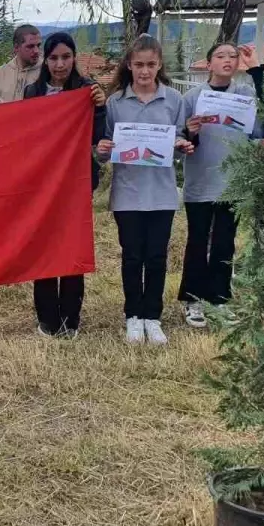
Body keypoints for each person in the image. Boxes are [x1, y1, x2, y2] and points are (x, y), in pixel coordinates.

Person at [96, 35, 193, 346]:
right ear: (129, 65)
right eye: (138, 64)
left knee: (156, 257)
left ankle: (153, 316)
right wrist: (103, 148)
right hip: (127, 193)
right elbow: (102, 148)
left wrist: (182, 145)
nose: (144, 71)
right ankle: (132, 316)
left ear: (160, 65)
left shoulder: (174, 101)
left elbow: (178, 147)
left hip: (162, 193)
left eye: (151, 64)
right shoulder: (115, 103)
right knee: (132, 256)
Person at [23, 32, 107, 337]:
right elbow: (23, 136)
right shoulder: (33, 92)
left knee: (72, 246)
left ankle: (71, 316)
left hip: (75, 182)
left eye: (66, 57)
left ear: (75, 58)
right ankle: (47, 316)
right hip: (42, 185)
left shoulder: (87, 91)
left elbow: (99, 138)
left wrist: (99, 107)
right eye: (54, 57)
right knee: (44, 247)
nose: (60, 64)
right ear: (46, 59)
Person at [179, 40, 262, 328]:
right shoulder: (191, 97)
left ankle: (220, 299)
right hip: (200, 180)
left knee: (225, 244)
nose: (228, 60)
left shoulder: (246, 95)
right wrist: (189, 133)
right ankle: (193, 300)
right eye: (220, 55)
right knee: (198, 241)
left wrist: (257, 69)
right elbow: (180, 140)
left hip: (233, 183)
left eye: (233, 56)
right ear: (209, 63)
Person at [0, 25, 43, 103]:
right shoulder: (1, 73)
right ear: (16, 47)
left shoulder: (47, 71)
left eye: (38, 45)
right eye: (30, 46)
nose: (36, 51)